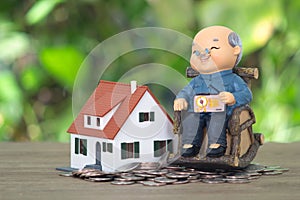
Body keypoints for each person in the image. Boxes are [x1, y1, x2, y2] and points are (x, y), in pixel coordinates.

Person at [174, 25, 252, 158]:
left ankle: (217, 145)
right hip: (197, 110)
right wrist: (181, 99)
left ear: (235, 50)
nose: (203, 54)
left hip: (221, 112)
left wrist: (233, 97)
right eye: (196, 52)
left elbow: (246, 94)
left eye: (214, 48)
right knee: (191, 119)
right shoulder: (198, 80)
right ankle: (190, 144)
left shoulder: (233, 79)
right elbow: (186, 91)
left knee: (217, 120)